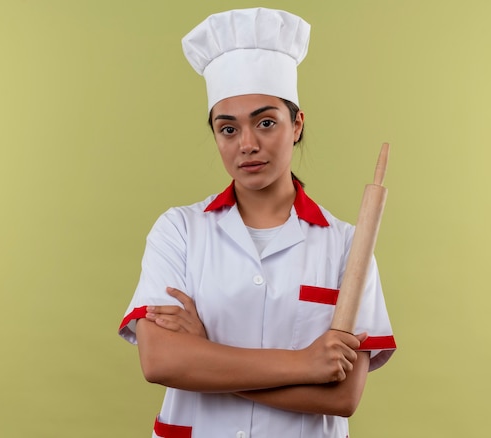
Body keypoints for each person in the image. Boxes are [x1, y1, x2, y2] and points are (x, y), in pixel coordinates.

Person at [118, 7, 396, 438]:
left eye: (266, 122)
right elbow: (161, 363)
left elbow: (342, 398)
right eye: (228, 129)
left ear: (297, 124)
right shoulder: (179, 230)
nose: (247, 145)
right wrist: (304, 364)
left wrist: (205, 358)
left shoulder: (345, 245)